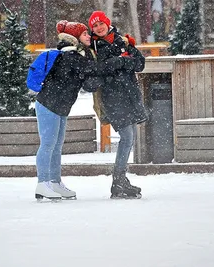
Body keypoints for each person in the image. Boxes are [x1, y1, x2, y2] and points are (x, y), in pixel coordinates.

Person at [34, 20, 104, 201]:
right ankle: (42, 183)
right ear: (75, 38)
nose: (89, 36)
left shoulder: (76, 56)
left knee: (56, 146)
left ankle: (55, 183)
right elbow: (91, 79)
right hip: (48, 105)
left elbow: (89, 82)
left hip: (60, 107)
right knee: (48, 144)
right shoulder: (70, 57)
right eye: (85, 34)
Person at [89, 11, 148, 199]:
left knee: (130, 137)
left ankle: (121, 180)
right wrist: (121, 61)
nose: (99, 28)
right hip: (113, 98)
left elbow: (139, 63)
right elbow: (100, 69)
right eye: (95, 26)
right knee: (127, 137)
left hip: (130, 95)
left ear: (107, 23)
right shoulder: (94, 47)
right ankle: (118, 181)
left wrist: (121, 61)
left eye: (101, 24)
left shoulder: (122, 40)